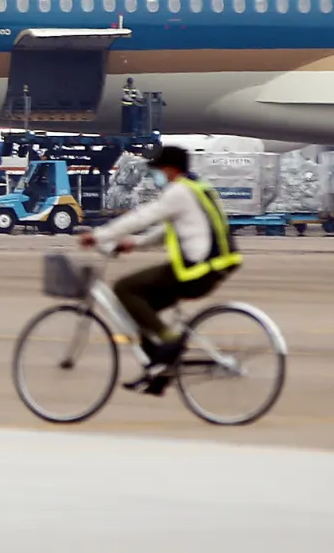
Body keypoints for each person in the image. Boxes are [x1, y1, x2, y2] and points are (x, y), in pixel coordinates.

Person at [77, 145, 241, 393]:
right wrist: (136, 243)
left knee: (125, 288)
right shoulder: (197, 188)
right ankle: (159, 371)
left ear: (171, 169)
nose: (157, 176)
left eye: (159, 170)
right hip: (212, 268)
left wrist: (99, 236)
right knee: (141, 311)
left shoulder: (178, 192)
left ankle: (170, 343)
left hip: (195, 271)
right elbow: (170, 230)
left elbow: (143, 217)